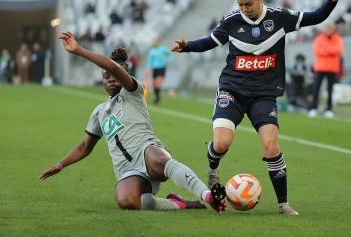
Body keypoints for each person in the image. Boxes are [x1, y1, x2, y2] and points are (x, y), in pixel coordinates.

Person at [172, 0, 346, 216]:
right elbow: (210, 41)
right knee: (221, 144)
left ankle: (283, 203)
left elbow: (316, 17)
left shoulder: (280, 18)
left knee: (271, 147)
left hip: (263, 95)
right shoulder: (232, 21)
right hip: (232, 90)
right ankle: (213, 170)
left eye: (248, 4)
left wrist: (331, 0)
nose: (243, 9)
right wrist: (187, 46)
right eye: (240, 4)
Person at [40, 32, 226, 213]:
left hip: (147, 151)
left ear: (125, 75)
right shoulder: (98, 112)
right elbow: (84, 147)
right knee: (127, 201)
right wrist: (61, 164)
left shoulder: (133, 92)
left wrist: (79, 50)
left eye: (114, 75)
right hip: (127, 170)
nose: (111, 79)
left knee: (160, 159)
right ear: (102, 81)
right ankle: (180, 204)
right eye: (106, 77)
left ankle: (207, 195)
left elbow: (113, 68)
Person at [307, 23, 344, 118]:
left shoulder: (338, 39)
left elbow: (338, 50)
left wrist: (326, 50)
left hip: (332, 68)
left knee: (330, 90)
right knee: (316, 89)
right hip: (320, 68)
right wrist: (330, 51)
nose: (329, 29)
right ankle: (313, 108)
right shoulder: (319, 39)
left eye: (331, 28)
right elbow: (317, 51)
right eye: (327, 28)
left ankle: (329, 109)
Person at [145, 36, 173, 104]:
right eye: (154, 41)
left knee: (158, 83)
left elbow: (170, 54)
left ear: (158, 41)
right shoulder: (152, 51)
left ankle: (157, 98)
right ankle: (157, 96)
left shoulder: (163, 49)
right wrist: (148, 69)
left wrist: (167, 60)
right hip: (154, 69)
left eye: (156, 41)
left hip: (162, 68)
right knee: (154, 84)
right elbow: (150, 61)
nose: (155, 42)